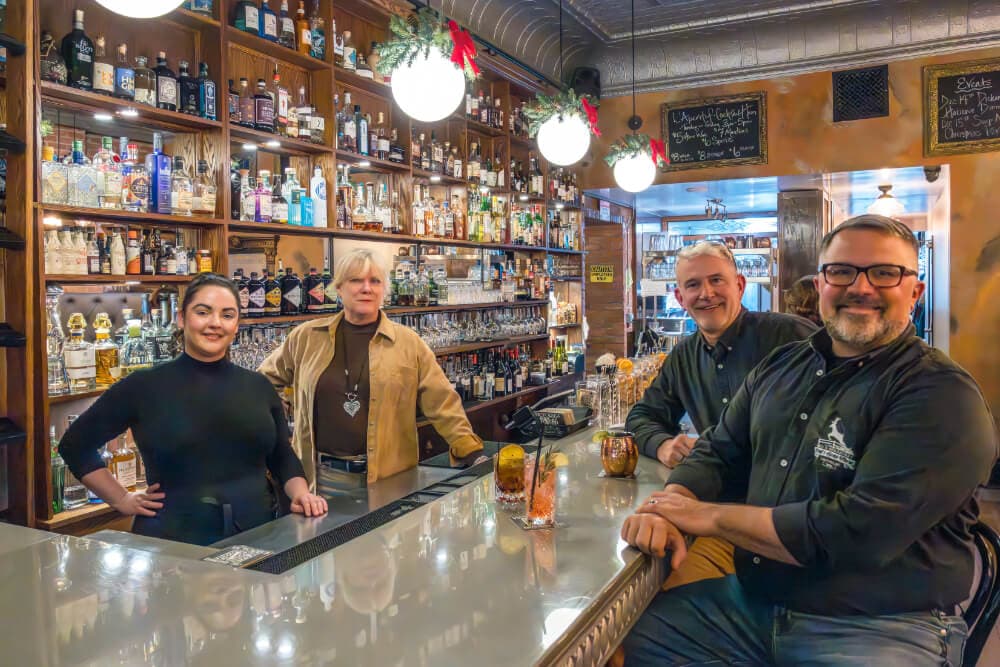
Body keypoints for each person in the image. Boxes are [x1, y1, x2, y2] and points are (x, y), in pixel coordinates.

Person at [620, 215, 999, 665]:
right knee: (623, 643)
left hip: (882, 622)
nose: (861, 287)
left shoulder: (940, 393)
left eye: (884, 272)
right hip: (755, 604)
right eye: (842, 271)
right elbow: (719, 450)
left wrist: (710, 517)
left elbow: (856, 531)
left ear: (914, 293)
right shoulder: (783, 366)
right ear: (820, 284)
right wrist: (670, 503)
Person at [59, 273, 327, 546]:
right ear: (181, 318)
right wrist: (121, 499)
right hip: (173, 541)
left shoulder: (258, 385)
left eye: (227, 315)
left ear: (236, 325)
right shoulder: (144, 386)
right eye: (203, 312)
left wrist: (301, 493)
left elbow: (281, 454)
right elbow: (74, 445)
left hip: (258, 536)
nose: (215, 323)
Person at [625, 241, 816, 590]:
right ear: (680, 297)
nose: (706, 293)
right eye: (693, 285)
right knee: (654, 600)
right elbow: (641, 416)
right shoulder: (684, 356)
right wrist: (663, 444)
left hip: (792, 526)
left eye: (717, 280)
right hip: (721, 523)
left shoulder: (789, 337)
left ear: (740, 285)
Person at [259, 249, 484, 489]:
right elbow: (262, 382)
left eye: (375, 281)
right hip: (317, 482)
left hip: (390, 481)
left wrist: (471, 452)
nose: (366, 288)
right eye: (356, 280)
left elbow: (442, 405)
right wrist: (279, 419)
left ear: (384, 290)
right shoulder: (307, 337)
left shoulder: (408, 343)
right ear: (339, 288)